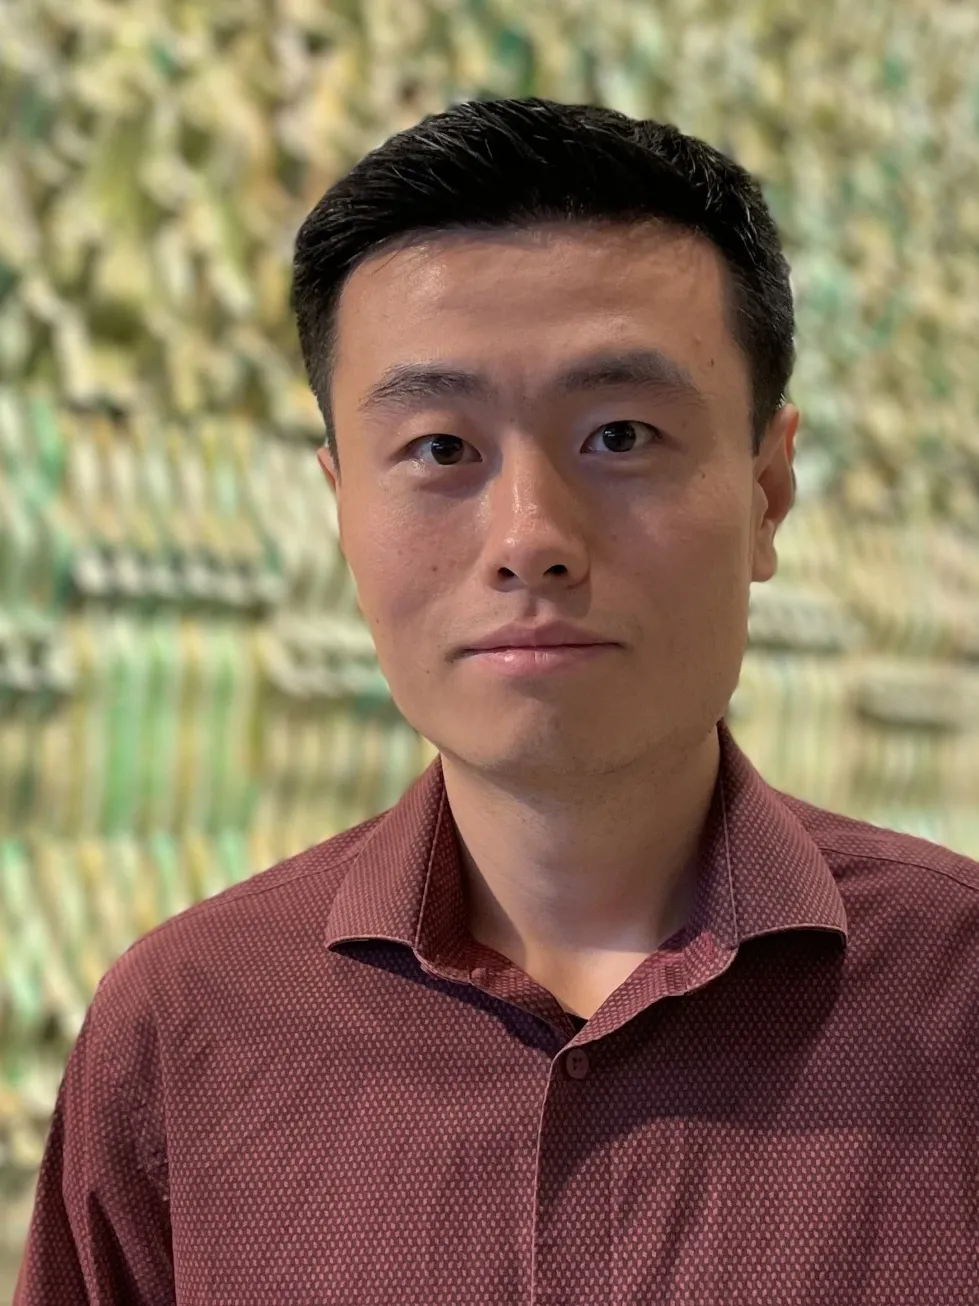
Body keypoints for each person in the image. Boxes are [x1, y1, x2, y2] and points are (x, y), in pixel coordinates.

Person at [14, 97, 979, 1305]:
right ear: (339, 505)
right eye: (439, 449)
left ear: (768, 489)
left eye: (619, 434)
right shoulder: (182, 1031)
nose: (531, 540)